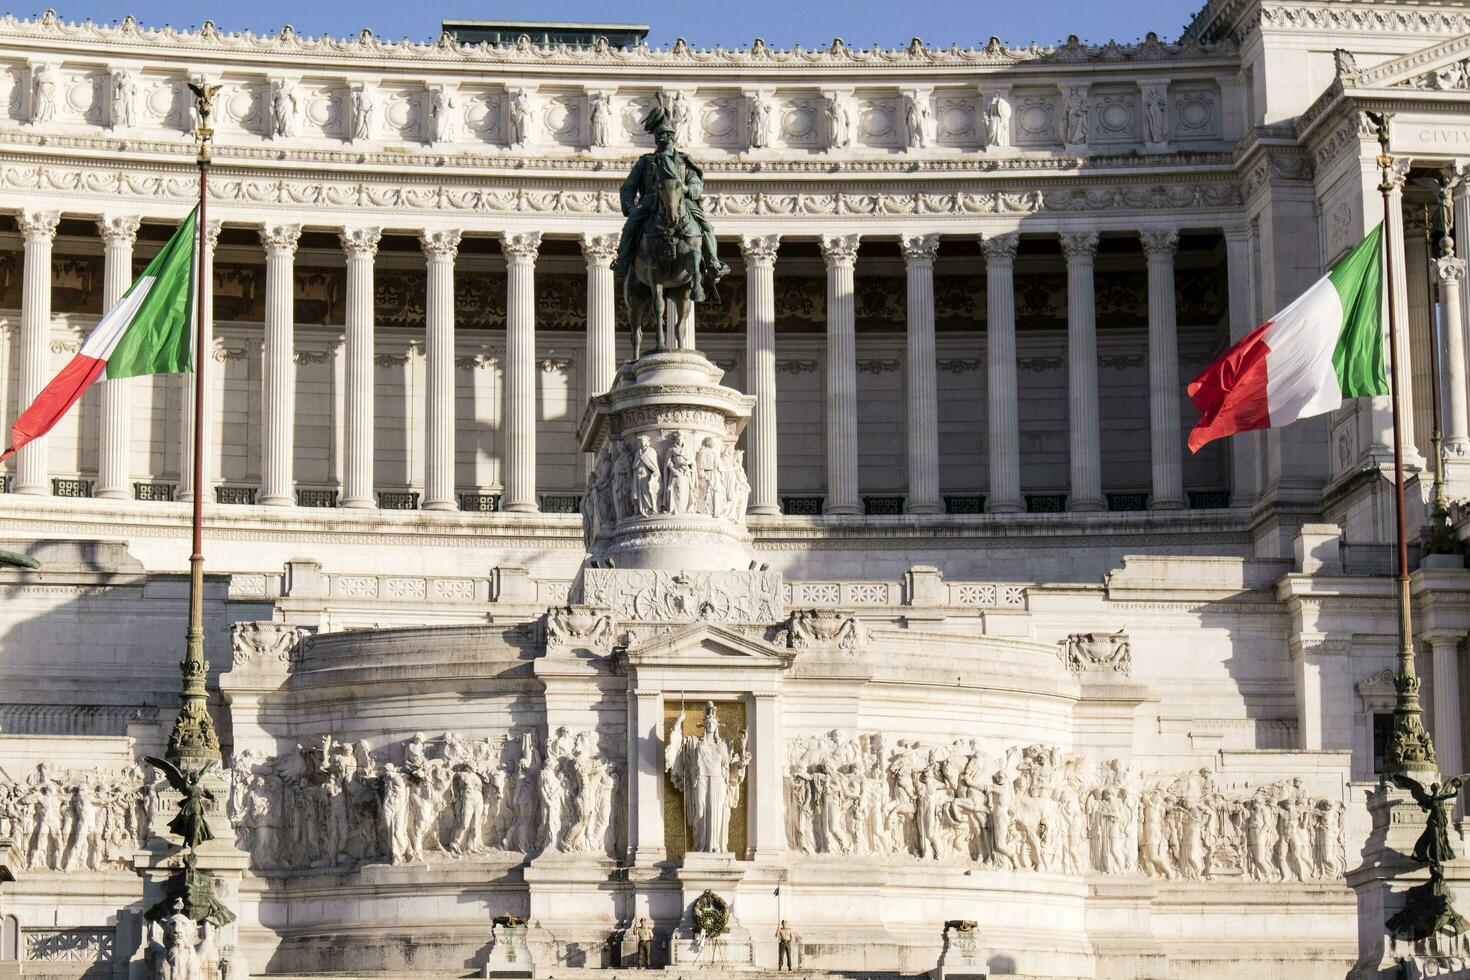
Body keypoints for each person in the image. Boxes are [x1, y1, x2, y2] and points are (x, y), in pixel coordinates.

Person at [614, 96, 728, 299]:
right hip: (651, 202)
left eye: (669, 136)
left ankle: (713, 264)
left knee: (706, 227)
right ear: (657, 140)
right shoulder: (646, 162)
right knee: (632, 223)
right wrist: (631, 208)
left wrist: (685, 189)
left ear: (674, 138)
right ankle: (622, 259)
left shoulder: (685, 161)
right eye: (662, 137)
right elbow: (628, 189)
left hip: (682, 201)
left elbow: (696, 185)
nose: (666, 139)